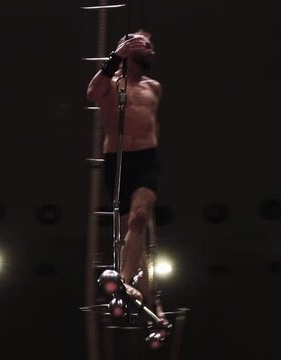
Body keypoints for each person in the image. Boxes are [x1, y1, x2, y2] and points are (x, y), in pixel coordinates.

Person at [86, 30, 166, 322]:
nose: (147, 48)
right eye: (141, 42)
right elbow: (92, 93)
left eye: (149, 44)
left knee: (140, 217)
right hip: (117, 158)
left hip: (147, 159)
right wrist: (116, 57)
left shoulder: (153, 87)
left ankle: (125, 279)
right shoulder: (109, 82)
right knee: (130, 235)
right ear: (126, 47)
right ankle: (144, 296)